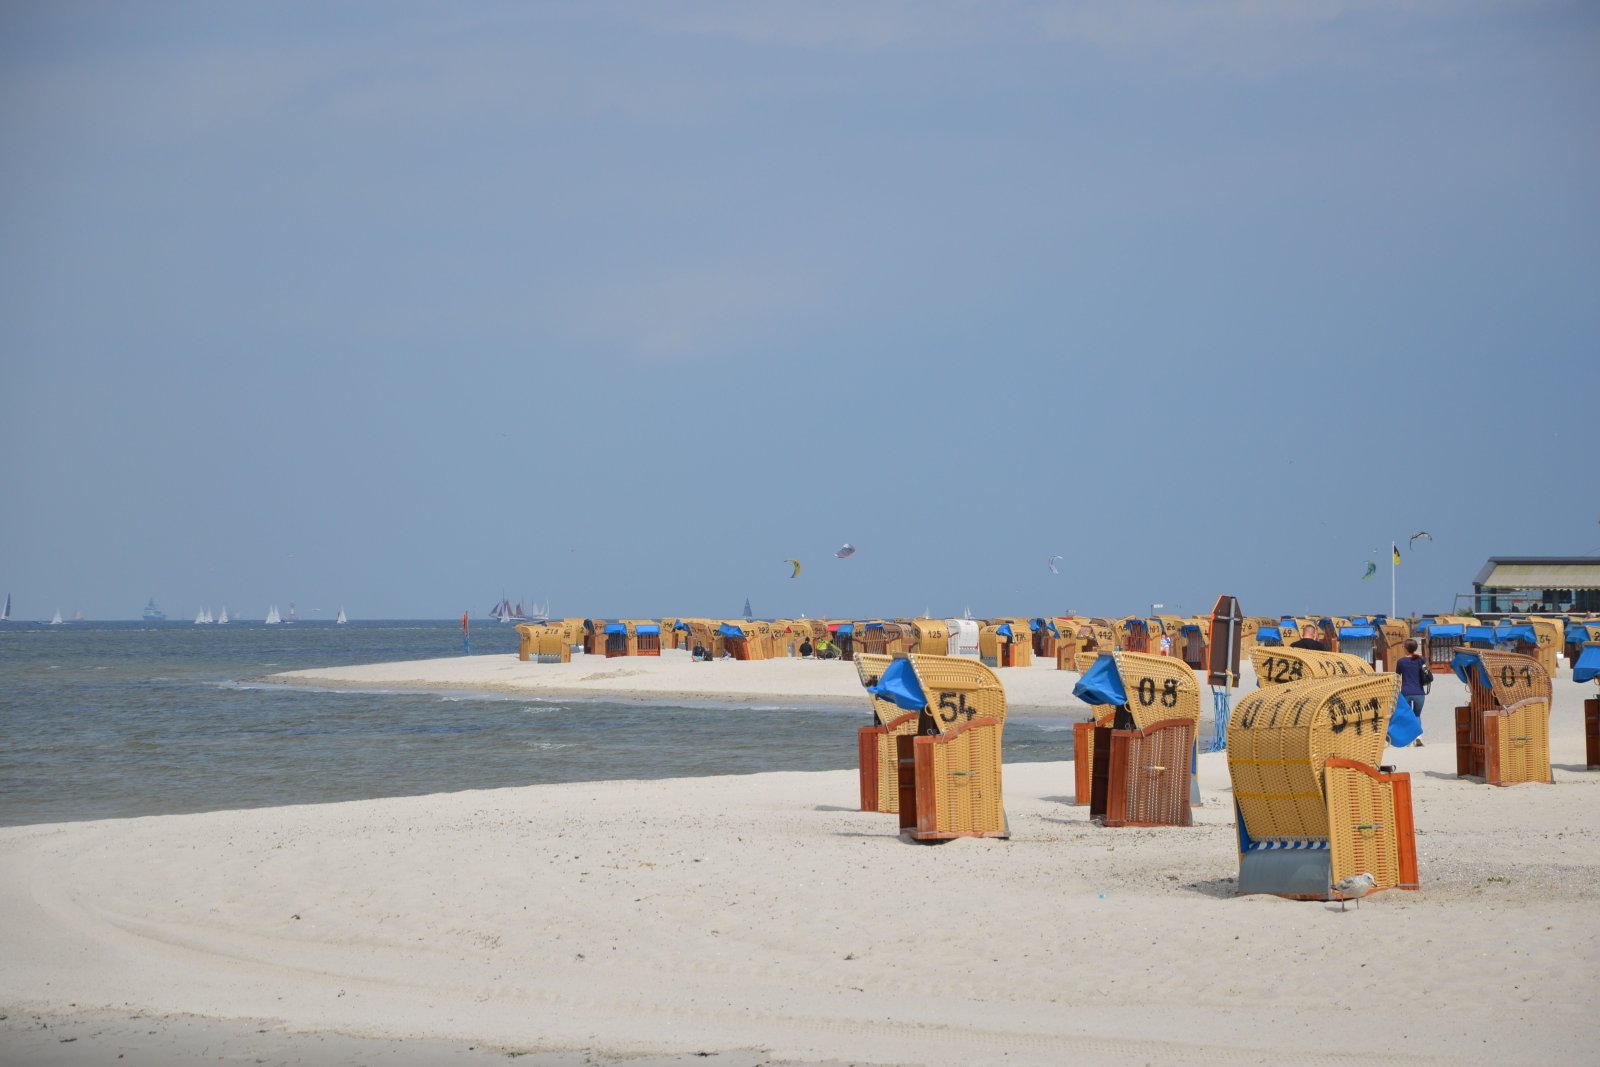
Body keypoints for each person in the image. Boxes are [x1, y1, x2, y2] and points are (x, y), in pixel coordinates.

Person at [1396, 639, 1428, 746]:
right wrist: (1416, 653)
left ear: (1406, 648)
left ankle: (1408, 740)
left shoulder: (1401, 662)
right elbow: (1424, 659)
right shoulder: (1421, 660)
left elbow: (1397, 676)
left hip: (1406, 693)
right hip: (1419, 693)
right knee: (1417, 715)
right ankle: (1418, 737)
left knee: (1407, 716)